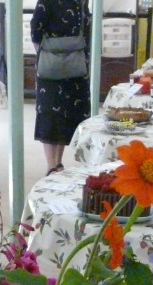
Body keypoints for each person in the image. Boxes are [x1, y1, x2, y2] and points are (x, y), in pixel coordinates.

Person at [31, 0, 90, 175]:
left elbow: (86, 29)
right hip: (51, 67)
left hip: (75, 66)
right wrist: (46, 53)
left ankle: (58, 163)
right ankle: (51, 166)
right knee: (50, 113)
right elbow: (35, 29)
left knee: (67, 113)